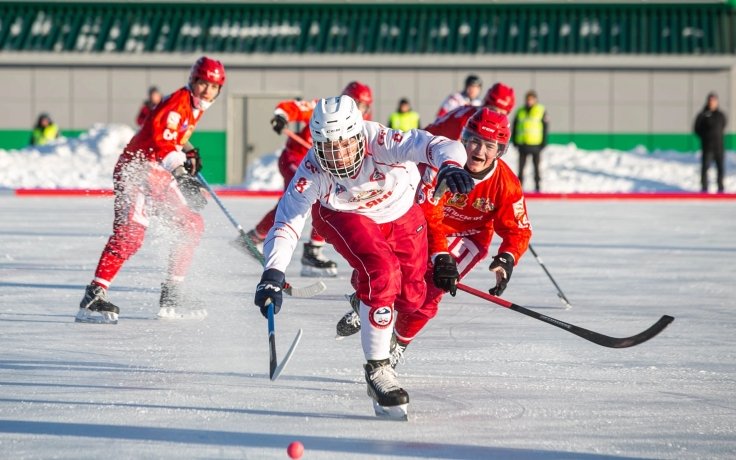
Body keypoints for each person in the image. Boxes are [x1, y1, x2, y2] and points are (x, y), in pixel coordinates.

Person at [253, 94, 474, 419]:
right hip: (345, 214)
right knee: (382, 271)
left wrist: (450, 165)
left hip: (400, 211)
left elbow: (439, 144)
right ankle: (378, 369)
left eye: (345, 144)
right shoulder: (313, 168)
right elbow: (288, 220)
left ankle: (365, 298)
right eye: (329, 148)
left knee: (412, 299)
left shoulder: (382, 139)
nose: (339, 157)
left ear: (359, 135)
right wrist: (273, 273)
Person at [336, 109, 532, 366]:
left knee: (432, 293)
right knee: (393, 269)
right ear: (463, 139)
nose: (479, 151)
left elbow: (518, 229)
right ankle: (368, 301)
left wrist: (507, 257)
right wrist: (440, 254)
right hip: (425, 225)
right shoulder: (445, 165)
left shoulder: (506, 184)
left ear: (501, 150)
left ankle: (400, 343)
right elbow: (430, 213)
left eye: (489, 145)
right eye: (473, 140)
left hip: (469, 238)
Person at [75, 56, 226, 324]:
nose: (207, 91)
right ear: (193, 81)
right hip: (136, 169)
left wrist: (189, 150)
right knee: (131, 234)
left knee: (191, 224)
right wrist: (181, 175)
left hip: (156, 172)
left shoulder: (194, 105)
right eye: (203, 83)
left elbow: (175, 134)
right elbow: (161, 141)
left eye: (214, 87)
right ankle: (94, 296)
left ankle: (172, 293)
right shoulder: (178, 102)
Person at [240, 81, 373, 278]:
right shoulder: (325, 109)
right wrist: (281, 117)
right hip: (297, 160)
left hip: (325, 167)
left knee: (319, 199)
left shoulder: (361, 123)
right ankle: (309, 250)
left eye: (363, 105)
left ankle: (256, 237)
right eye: (355, 102)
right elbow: (292, 108)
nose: (359, 108)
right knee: (303, 200)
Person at [424, 81, 516, 140]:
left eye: (501, 114)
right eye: (494, 111)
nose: (496, 116)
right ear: (486, 105)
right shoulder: (470, 119)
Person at [512, 90, 549, 192]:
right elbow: (515, 126)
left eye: (531, 99)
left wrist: (544, 142)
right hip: (522, 144)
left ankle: (537, 187)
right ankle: (519, 188)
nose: (529, 101)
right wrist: (514, 140)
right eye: (528, 99)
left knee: (536, 168)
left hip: (535, 144)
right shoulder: (520, 111)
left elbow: (545, 127)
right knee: (521, 168)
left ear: (535, 100)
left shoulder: (540, 110)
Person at [694, 92, 728, 193]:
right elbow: (696, 128)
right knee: (705, 168)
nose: (712, 103)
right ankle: (704, 188)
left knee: (720, 169)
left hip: (719, 147)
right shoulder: (703, 115)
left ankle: (720, 188)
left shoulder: (721, 115)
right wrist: (706, 137)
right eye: (710, 101)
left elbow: (723, 125)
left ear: (716, 102)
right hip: (707, 147)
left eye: (714, 101)